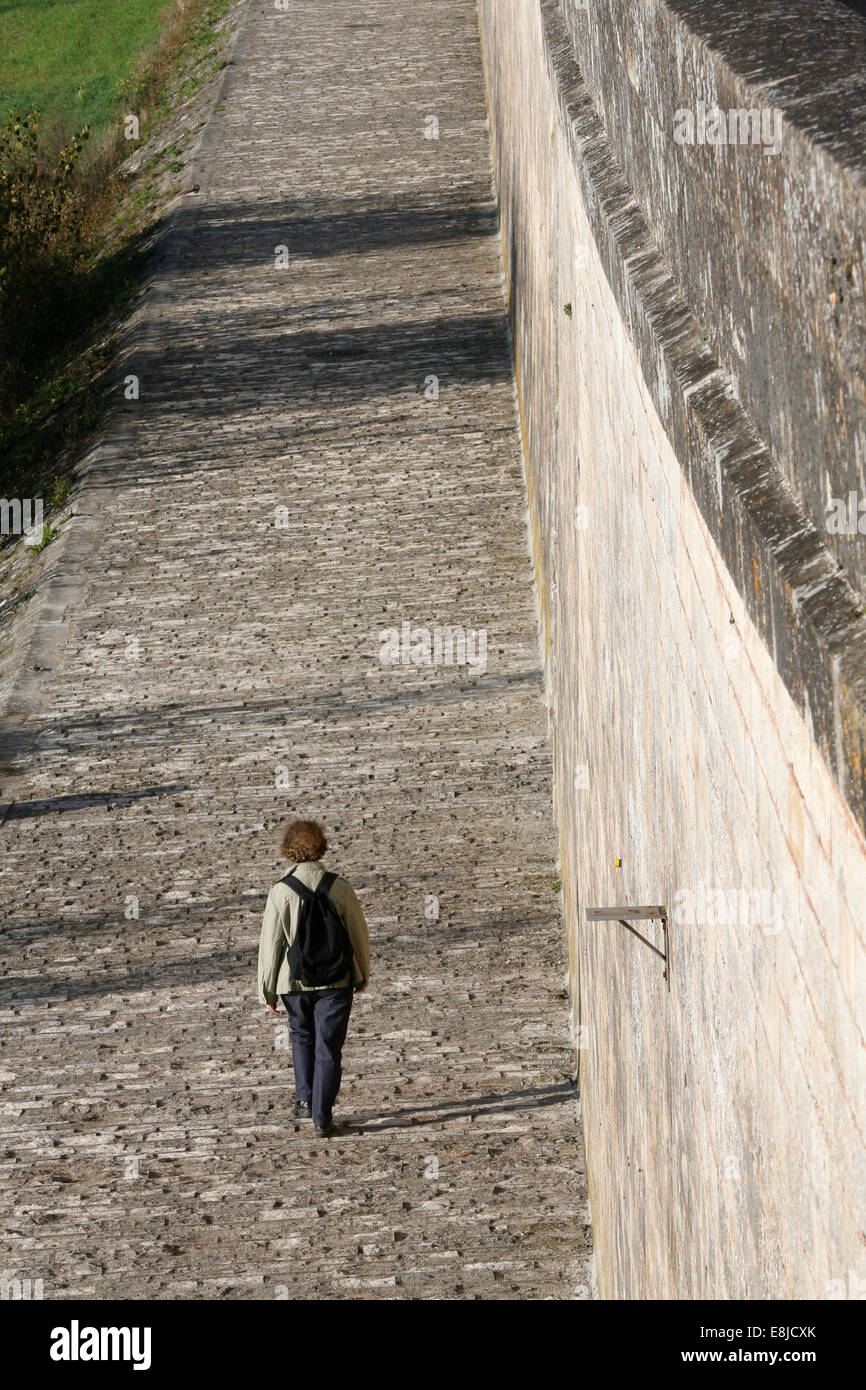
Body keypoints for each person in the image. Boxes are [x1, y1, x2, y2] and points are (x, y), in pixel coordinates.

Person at [257, 819, 370, 1137]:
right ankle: (322, 1118)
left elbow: (271, 945)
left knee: (301, 1037)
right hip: (337, 981)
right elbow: (358, 935)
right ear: (322, 845)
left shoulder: (280, 891)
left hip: (294, 983)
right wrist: (362, 973)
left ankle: (304, 1100)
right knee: (328, 1047)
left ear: (288, 849)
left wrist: (268, 991)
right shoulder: (340, 886)